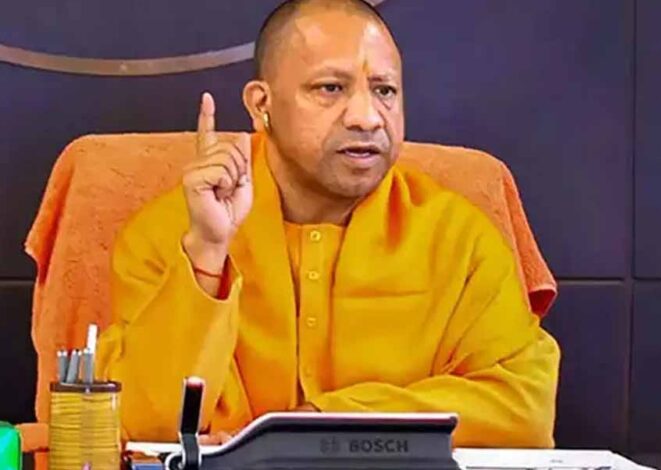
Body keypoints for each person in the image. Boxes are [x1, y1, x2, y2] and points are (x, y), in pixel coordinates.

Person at [97, 0, 560, 448]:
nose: (366, 118)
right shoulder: (171, 233)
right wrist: (206, 254)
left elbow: (524, 410)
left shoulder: (457, 238)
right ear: (261, 104)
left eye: (384, 90)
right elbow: (144, 426)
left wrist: (321, 426)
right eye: (331, 88)